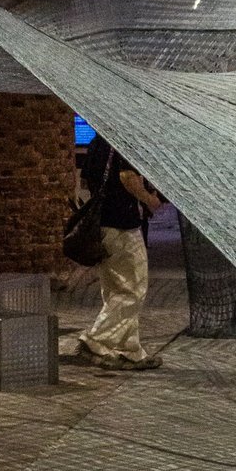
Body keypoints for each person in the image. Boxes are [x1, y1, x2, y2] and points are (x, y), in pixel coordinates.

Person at [74, 136, 162, 369]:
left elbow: (84, 180)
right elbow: (127, 177)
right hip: (123, 225)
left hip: (103, 227)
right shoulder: (122, 140)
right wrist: (149, 200)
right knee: (133, 290)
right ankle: (96, 339)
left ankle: (129, 350)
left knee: (116, 290)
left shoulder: (97, 142)